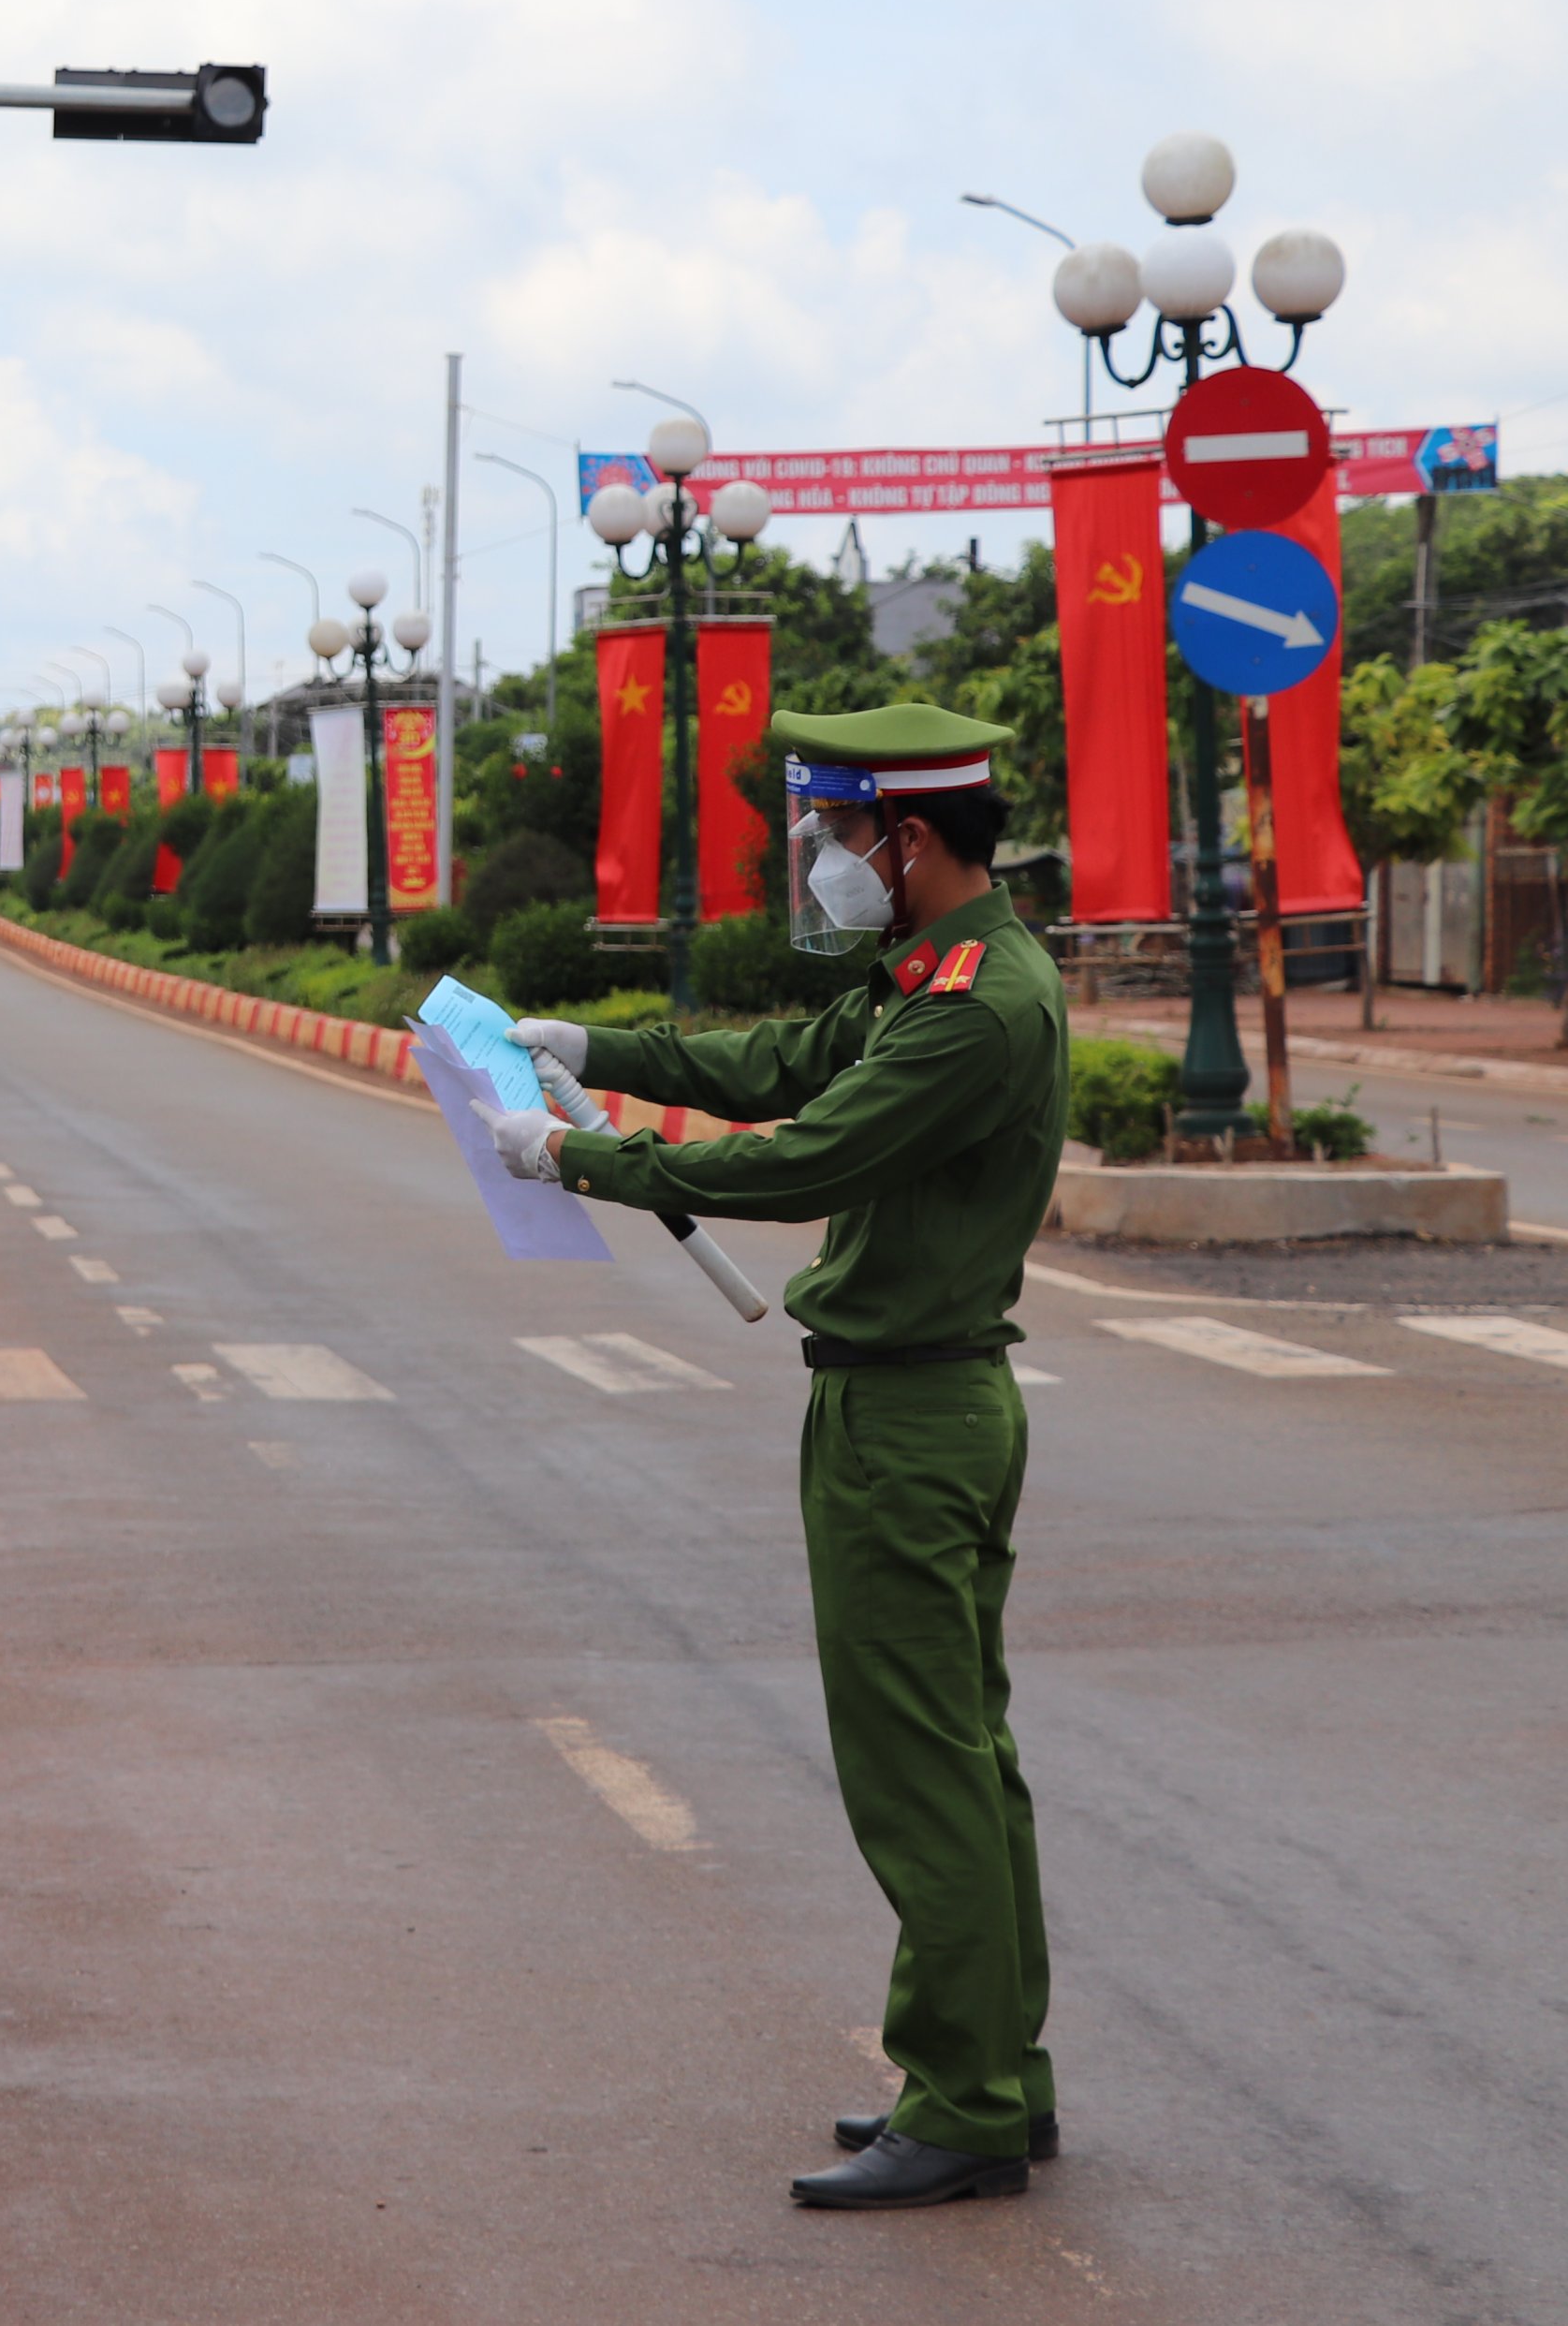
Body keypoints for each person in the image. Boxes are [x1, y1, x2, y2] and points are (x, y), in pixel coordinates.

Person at [471, 702, 1068, 2212]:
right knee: (963, 1761)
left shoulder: (975, 1008)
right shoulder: (939, 972)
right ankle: (989, 2072)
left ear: (907, 838)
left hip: (914, 1418)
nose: (818, 859)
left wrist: (582, 1155)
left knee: (921, 1768)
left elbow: (812, 1153)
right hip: (913, 1399)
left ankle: (972, 2103)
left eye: (833, 833)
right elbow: (786, 1057)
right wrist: (588, 1045)